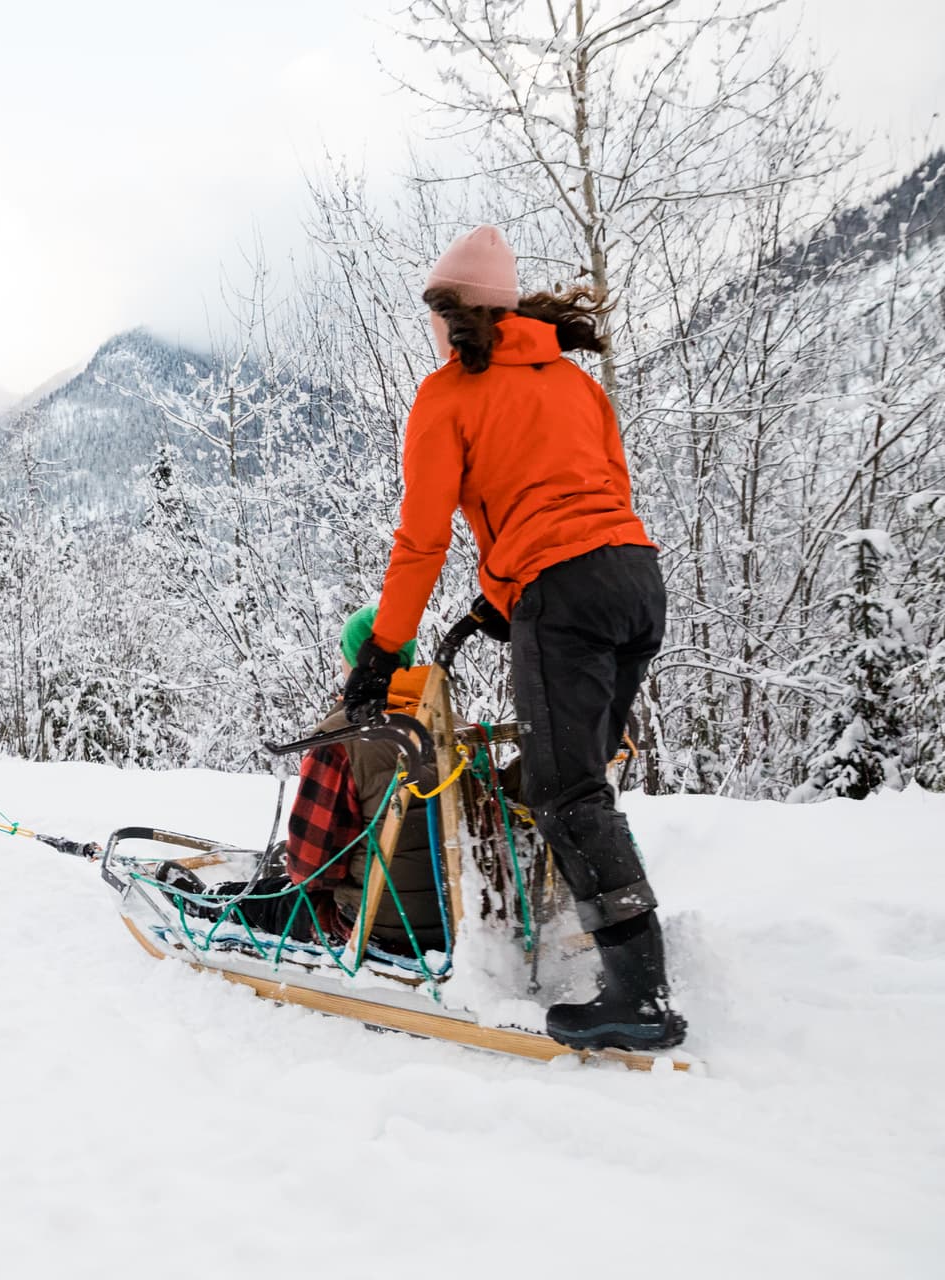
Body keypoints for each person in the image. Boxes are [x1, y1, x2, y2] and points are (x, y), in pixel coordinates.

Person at [339, 225, 684, 1051]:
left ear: (452, 317)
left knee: (567, 793)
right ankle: (590, 938)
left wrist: (385, 649)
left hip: (561, 595)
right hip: (635, 581)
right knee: (562, 777)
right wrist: (502, 596)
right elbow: (594, 495)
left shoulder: (448, 395)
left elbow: (420, 542)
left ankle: (639, 994)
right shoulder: (574, 383)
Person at [166, 607, 447, 962]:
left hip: (377, 924)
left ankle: (208, 903)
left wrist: (295, 867)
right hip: (455, 914)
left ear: (355, 663)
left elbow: (310, 872)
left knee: (274, 901)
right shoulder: (451, 725)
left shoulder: (343, 737)